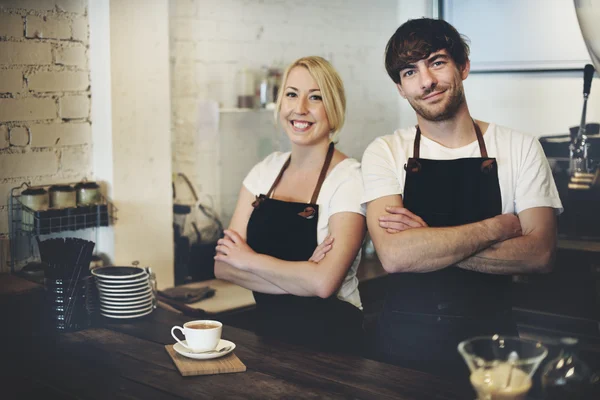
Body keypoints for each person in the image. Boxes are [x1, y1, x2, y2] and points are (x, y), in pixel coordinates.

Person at [360, 18, 563, 377]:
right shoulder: (385, 151)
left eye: (437, 62)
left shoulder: (520, 147)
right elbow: (394, 255)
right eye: (410, 72)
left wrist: (425, 242)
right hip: (402, 351)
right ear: (400, 88)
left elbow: (540, 254)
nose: (426, 81)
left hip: (494, 352)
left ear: (463, 65)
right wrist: (496, 227)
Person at [214, 56, 366, 353]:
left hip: (334, 344)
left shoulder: (350, 179)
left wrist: (249, 260)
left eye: (316, 97)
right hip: (269, 338)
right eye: (292, 94)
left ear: (333, 110)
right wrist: (303, 275)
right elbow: (223, 267)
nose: (300, 109)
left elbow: (324, 285)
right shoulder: (264, 172)